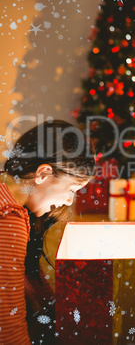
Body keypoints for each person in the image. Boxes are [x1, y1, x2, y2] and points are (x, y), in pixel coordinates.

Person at [0, 119, 94, 344]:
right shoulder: (9, 217)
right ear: (42, 173)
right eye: (71, 189)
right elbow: (8, 324)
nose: (68, 200)